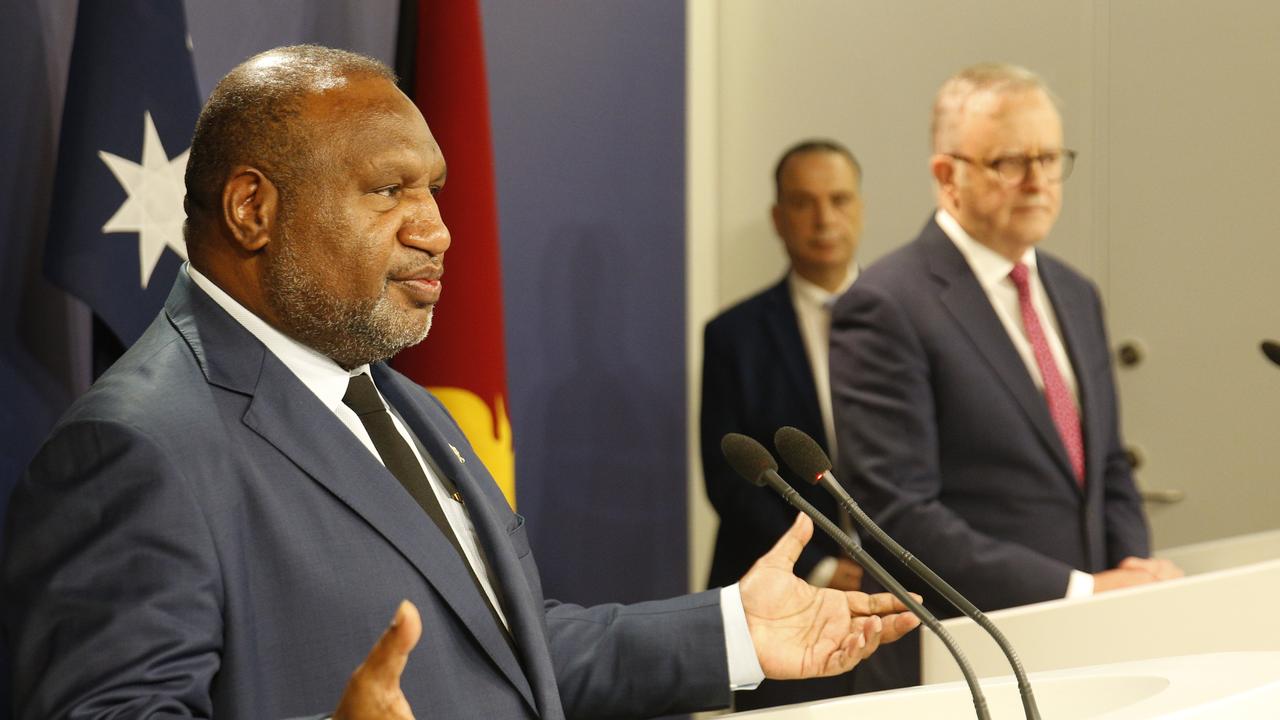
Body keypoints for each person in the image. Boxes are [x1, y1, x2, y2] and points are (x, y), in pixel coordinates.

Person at [0, 45, 919, 719]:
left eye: (435, 191)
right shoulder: (136, 446)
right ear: (253, 210)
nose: (437, 231)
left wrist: (732, 632)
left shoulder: (406, 406)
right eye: (390, 191)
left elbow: (508, 653)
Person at [828, 63, 1180, 692]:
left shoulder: (1075, 294)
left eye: (1050, 158)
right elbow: (899, 514)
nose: (1039, 181)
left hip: (1095, 642)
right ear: (947, 175)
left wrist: (1129, 571)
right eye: (1011, 163)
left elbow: (1107, 467)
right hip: (968, 656)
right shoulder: (887, 303)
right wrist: (1077, 590)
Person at [701, 140, 868, 709]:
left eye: (839, 199)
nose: (824, 219)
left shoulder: (911, 320)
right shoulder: (734, 335)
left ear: (860, 209)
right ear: (778, 217)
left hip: (899, 590)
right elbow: (729, 480)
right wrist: (821, 565)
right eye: (803, 202)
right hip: (788, 591)